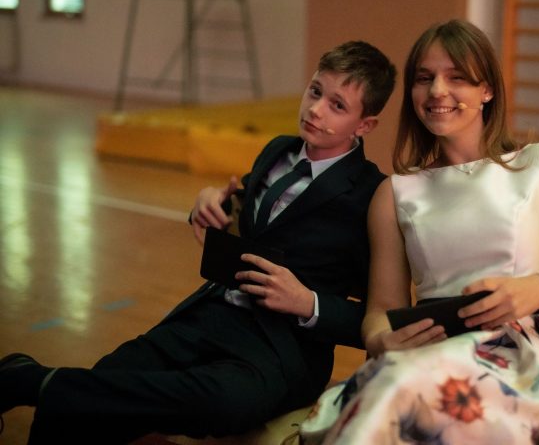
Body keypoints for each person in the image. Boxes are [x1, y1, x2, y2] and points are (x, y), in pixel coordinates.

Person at [0, 40, 396, 443]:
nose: (315, 109)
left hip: (281, 349)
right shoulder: (277, 151)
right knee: (91, 390)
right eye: (315, 91)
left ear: (365, 125)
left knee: (221, 404)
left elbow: (376, 317)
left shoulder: (371, 195)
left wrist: (307, 303)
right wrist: (210, 203)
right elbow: (249, 217)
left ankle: (30, 379)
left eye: (337, 105)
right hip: (212, 312)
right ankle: (39, 384)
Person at [300, 20, 539, 444]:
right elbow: (381, 308)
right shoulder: (394, 193)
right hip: (426, 355)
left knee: (401, 396)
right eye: (424, 78)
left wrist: (536, 289)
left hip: (523, 367)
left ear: (487, 90)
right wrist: (381, 340)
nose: (437, 90)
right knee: (394, 391)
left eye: (457, 77)